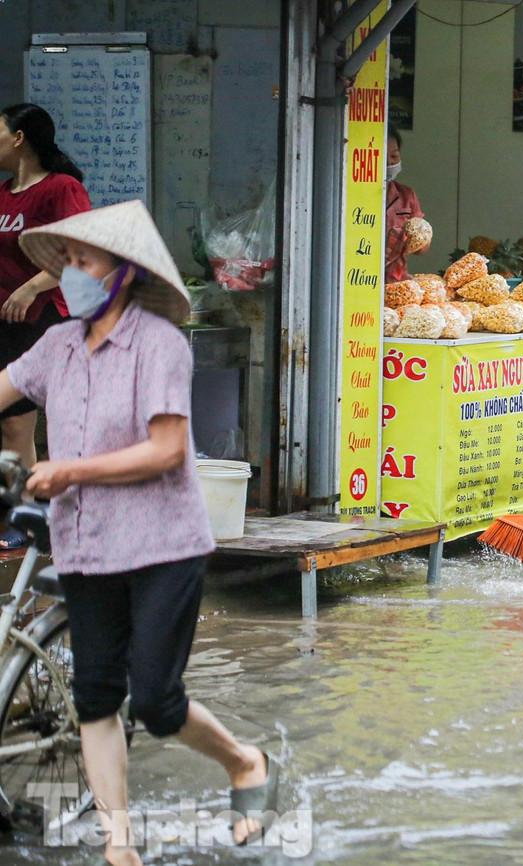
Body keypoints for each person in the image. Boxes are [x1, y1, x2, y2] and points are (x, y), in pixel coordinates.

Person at [9, 200, 277, 864]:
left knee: (156, 699)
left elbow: (165, 449)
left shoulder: (157, 344)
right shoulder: (57, 347)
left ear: (122, 275)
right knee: (96, 694)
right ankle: (118, 845)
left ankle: (246, 763)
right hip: (85, 545)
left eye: (84, 263)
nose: (72, 274)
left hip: (162, 546)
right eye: (66, 262)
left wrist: (71, 469)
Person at [0, 103, 91, 549]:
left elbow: (79, 247)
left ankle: (43, 515)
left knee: (36, 423)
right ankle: (22, 511)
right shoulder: (3, 193)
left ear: (18, 138)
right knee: (9, 424)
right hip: (4, 320)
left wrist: (31, 289)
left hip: (43, 317)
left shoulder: (61, 188)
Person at [384, 130, 430, 283]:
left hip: (396, 282)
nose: (389, 163)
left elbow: (422, 249)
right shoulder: (351, 194)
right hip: (359, 281)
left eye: (394, 156)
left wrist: (417, 238)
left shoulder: (406, 195)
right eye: (382, 155)